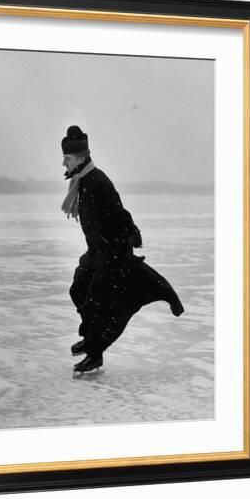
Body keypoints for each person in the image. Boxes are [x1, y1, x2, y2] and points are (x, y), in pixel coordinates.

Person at [61, 125, 184, 373]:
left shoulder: (97, 182)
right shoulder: (82, 181)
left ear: (80, 158)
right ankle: (90, 339)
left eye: (67, 158)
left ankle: (95, 354)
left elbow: (117, 211)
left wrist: (130, 235)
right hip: (96, 252)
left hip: (110, 253)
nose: (63, 163)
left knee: (99, 304)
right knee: (78, 290)